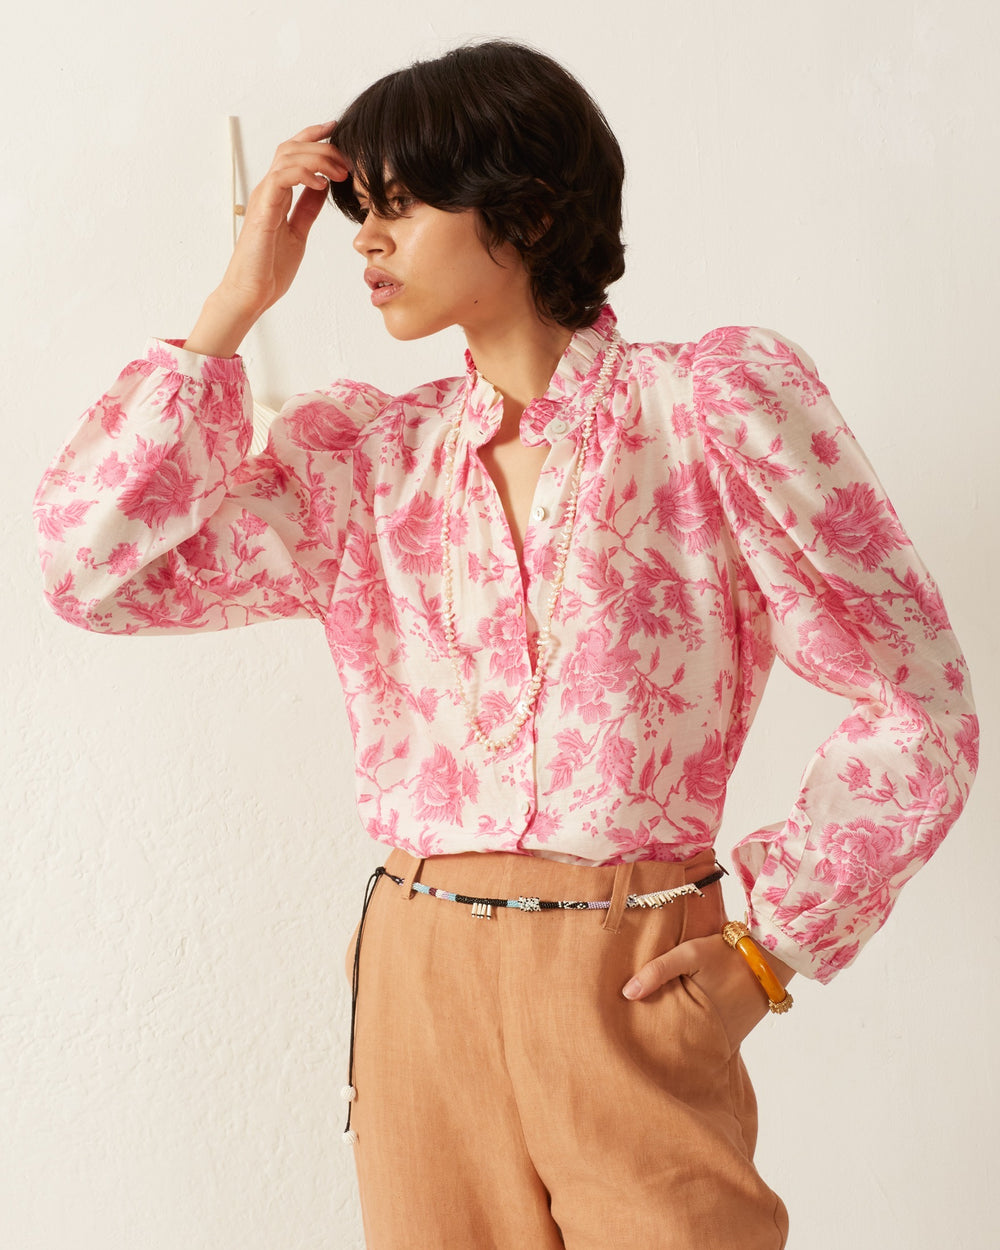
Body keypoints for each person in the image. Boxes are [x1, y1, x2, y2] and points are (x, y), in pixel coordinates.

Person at [35, 38, 977, 1250]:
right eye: (356, 209)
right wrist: (233, 304)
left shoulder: (706, 410)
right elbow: (91, 572)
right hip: (418, 968)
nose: (363, 241)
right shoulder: (365, 459)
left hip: (634, 972)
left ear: (525, 213)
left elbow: (917, 695)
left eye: (400, 205)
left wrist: (767, 951)